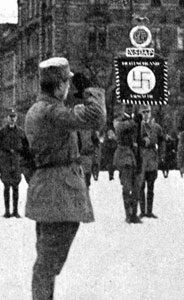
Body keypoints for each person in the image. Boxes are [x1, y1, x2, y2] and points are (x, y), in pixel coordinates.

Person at [24, 57, 106, 300]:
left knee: (47, 261)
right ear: (59, 85)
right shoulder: (52, 112)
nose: (69, 88)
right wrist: (90, 90)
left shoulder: (38, 109)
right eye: (67, 83)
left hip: (49, 190)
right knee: (47, 263)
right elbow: (96, 118)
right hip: (59, 193)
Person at [66, 72, 102, 188]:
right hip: (72, 163)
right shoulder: (69, 125)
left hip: (86, 161)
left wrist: (96, 163)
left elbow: (96, 145)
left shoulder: (90, 126)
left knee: (84, 188)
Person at [113, 103, 144, 224]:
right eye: (127, 105)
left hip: (136, 156)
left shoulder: (137, 120)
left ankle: (134, 213)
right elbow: (119, 128)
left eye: (131, 106)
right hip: (124, 156)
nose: (130, 108)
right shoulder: (119, 119)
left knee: (136, 187)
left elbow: (139, 137)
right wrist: (133, 122)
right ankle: (128, 214)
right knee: (127, 186)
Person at [0, 109, 28, 218]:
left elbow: (26, 148)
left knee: (16, 186)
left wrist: (24, 161)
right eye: (10, 116)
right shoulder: (2, 132)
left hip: (16, 160)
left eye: (14, 116)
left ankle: (15, 211)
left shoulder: (20, 132)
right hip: (5, 161)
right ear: (7, 118)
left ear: (16, 118)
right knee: (6, 186)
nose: (12, 119)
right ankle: (7, 211)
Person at [139, 104, 165, 219]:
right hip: (140, 159)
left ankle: (149, 211)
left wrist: (162, 155)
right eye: (143, 112)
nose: (145, 114)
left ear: (151, 113)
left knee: (151, 186)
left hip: (152, 159)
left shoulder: (156, 127)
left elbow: (162, 141)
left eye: (147, 112)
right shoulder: (137, 126)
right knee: (140, 187)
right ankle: (142, 211)